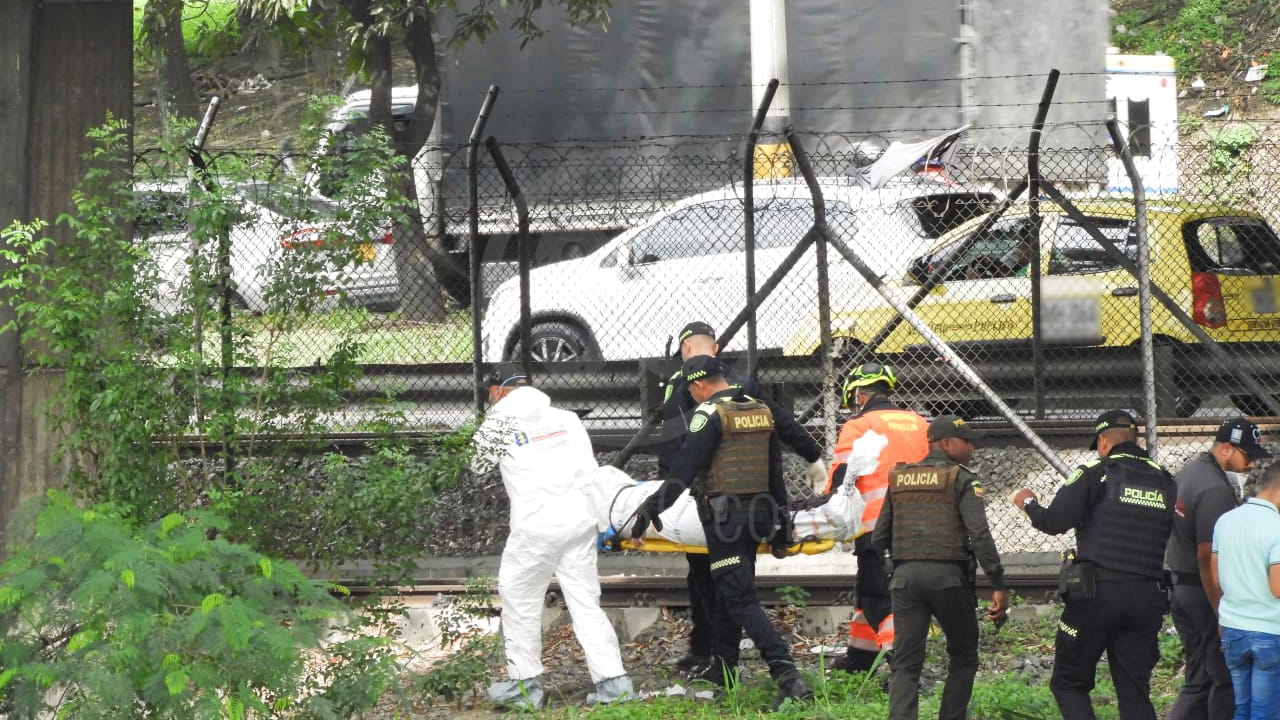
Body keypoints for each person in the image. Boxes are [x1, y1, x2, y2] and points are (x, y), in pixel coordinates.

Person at [632, 354, 813, 707]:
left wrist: (650, 510)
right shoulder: (761, 409)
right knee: (732, 591)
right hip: (759, 515)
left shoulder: (708, 414)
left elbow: (682, 472)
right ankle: (724, 672)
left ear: (699, 386)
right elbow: (774, 469)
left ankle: (787, 674)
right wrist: (780, 524)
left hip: (726, 520)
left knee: (741, 597)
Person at [656, 320, 827, 673]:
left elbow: (673, 451)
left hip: (706, 505)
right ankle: (721, 664)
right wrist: (811, 455)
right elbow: (779, 429)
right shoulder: (746, 384)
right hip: (754, 503)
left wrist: (661, 501)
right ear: (715, 349)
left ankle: (713, 655)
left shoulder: (681, 387)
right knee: (735, 582)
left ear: (686, 350)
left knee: (709, 581)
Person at [471, 363, 633, 710]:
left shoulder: (498, 423)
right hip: (578, 522)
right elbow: (589, 471)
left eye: (491, 394)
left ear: (497, 391)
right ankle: (613, 683)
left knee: (519, 599)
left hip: (535, 528)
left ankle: (525, 686)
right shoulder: (566, 418)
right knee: (586, 601)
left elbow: (476, 464)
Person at [1011, 409, 1175, 720]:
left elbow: (1054, 522)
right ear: (1135, 439)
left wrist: (1028, 503)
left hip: (1096, 595)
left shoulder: (1096, 472)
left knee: (1069, 684)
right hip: (1147, 597)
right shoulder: (1165, 480)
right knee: (1134, 690)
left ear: (1102, 441)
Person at [873, 415, 1008, 720]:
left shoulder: (900, 477)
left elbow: (878, 537)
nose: (972, 446)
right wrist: (998, 583)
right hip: (948, 579)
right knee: (963, 654)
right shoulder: (961, 478)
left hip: (905, 580)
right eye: (966, 441)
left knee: (906, 663)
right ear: (945, 443)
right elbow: (981, 535)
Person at [826, 362, 929, 673]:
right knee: (869, 589)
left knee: (878, 596)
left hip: (878, 526)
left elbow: (841, 478)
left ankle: (903, 663)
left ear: (859, 394)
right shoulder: (919, 422)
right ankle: (861, 657)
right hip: (924, 523)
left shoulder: (858, 426)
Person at [1166, 418, 1271, 720]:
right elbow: (1207, 556)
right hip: (1202, 592)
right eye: (1247, 456)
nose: (1251, 465)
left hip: (1181, 588)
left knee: (1199, 678)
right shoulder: (1215, 491)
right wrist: (1222, 608)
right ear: (1227, 449)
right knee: (1224, 678)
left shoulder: (1190, 471)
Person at [1212, 462, 1280, 720]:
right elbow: (1277, 588)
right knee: (1265, 712)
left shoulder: (1225, 520)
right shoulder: (1277, 527)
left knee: (1242, 708)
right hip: (1270, 631)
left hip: (1232, 627)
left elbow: (1216, 577)